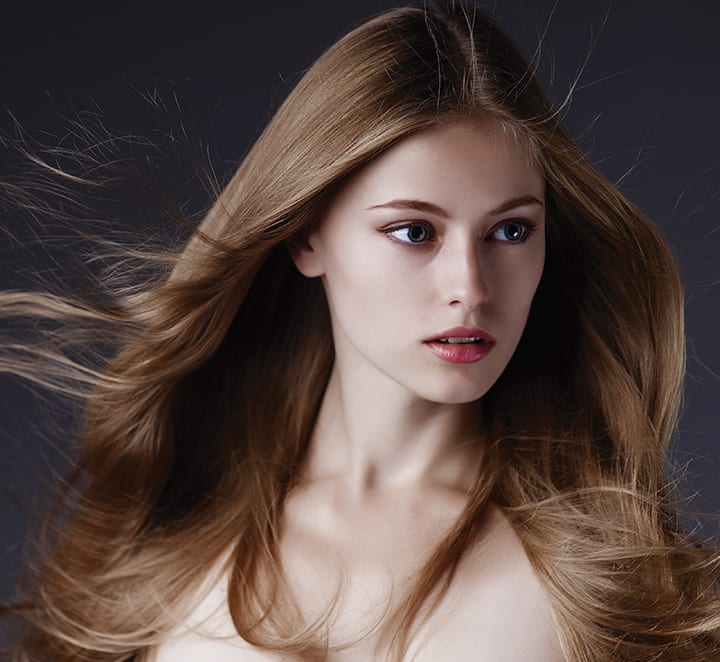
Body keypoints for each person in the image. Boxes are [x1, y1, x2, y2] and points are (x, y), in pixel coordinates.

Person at [2, 2, 719, 660]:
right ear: (307, 237)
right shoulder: (169, 544)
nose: (469, 286)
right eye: (414, 231)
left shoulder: (599, 581)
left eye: (509, 230)